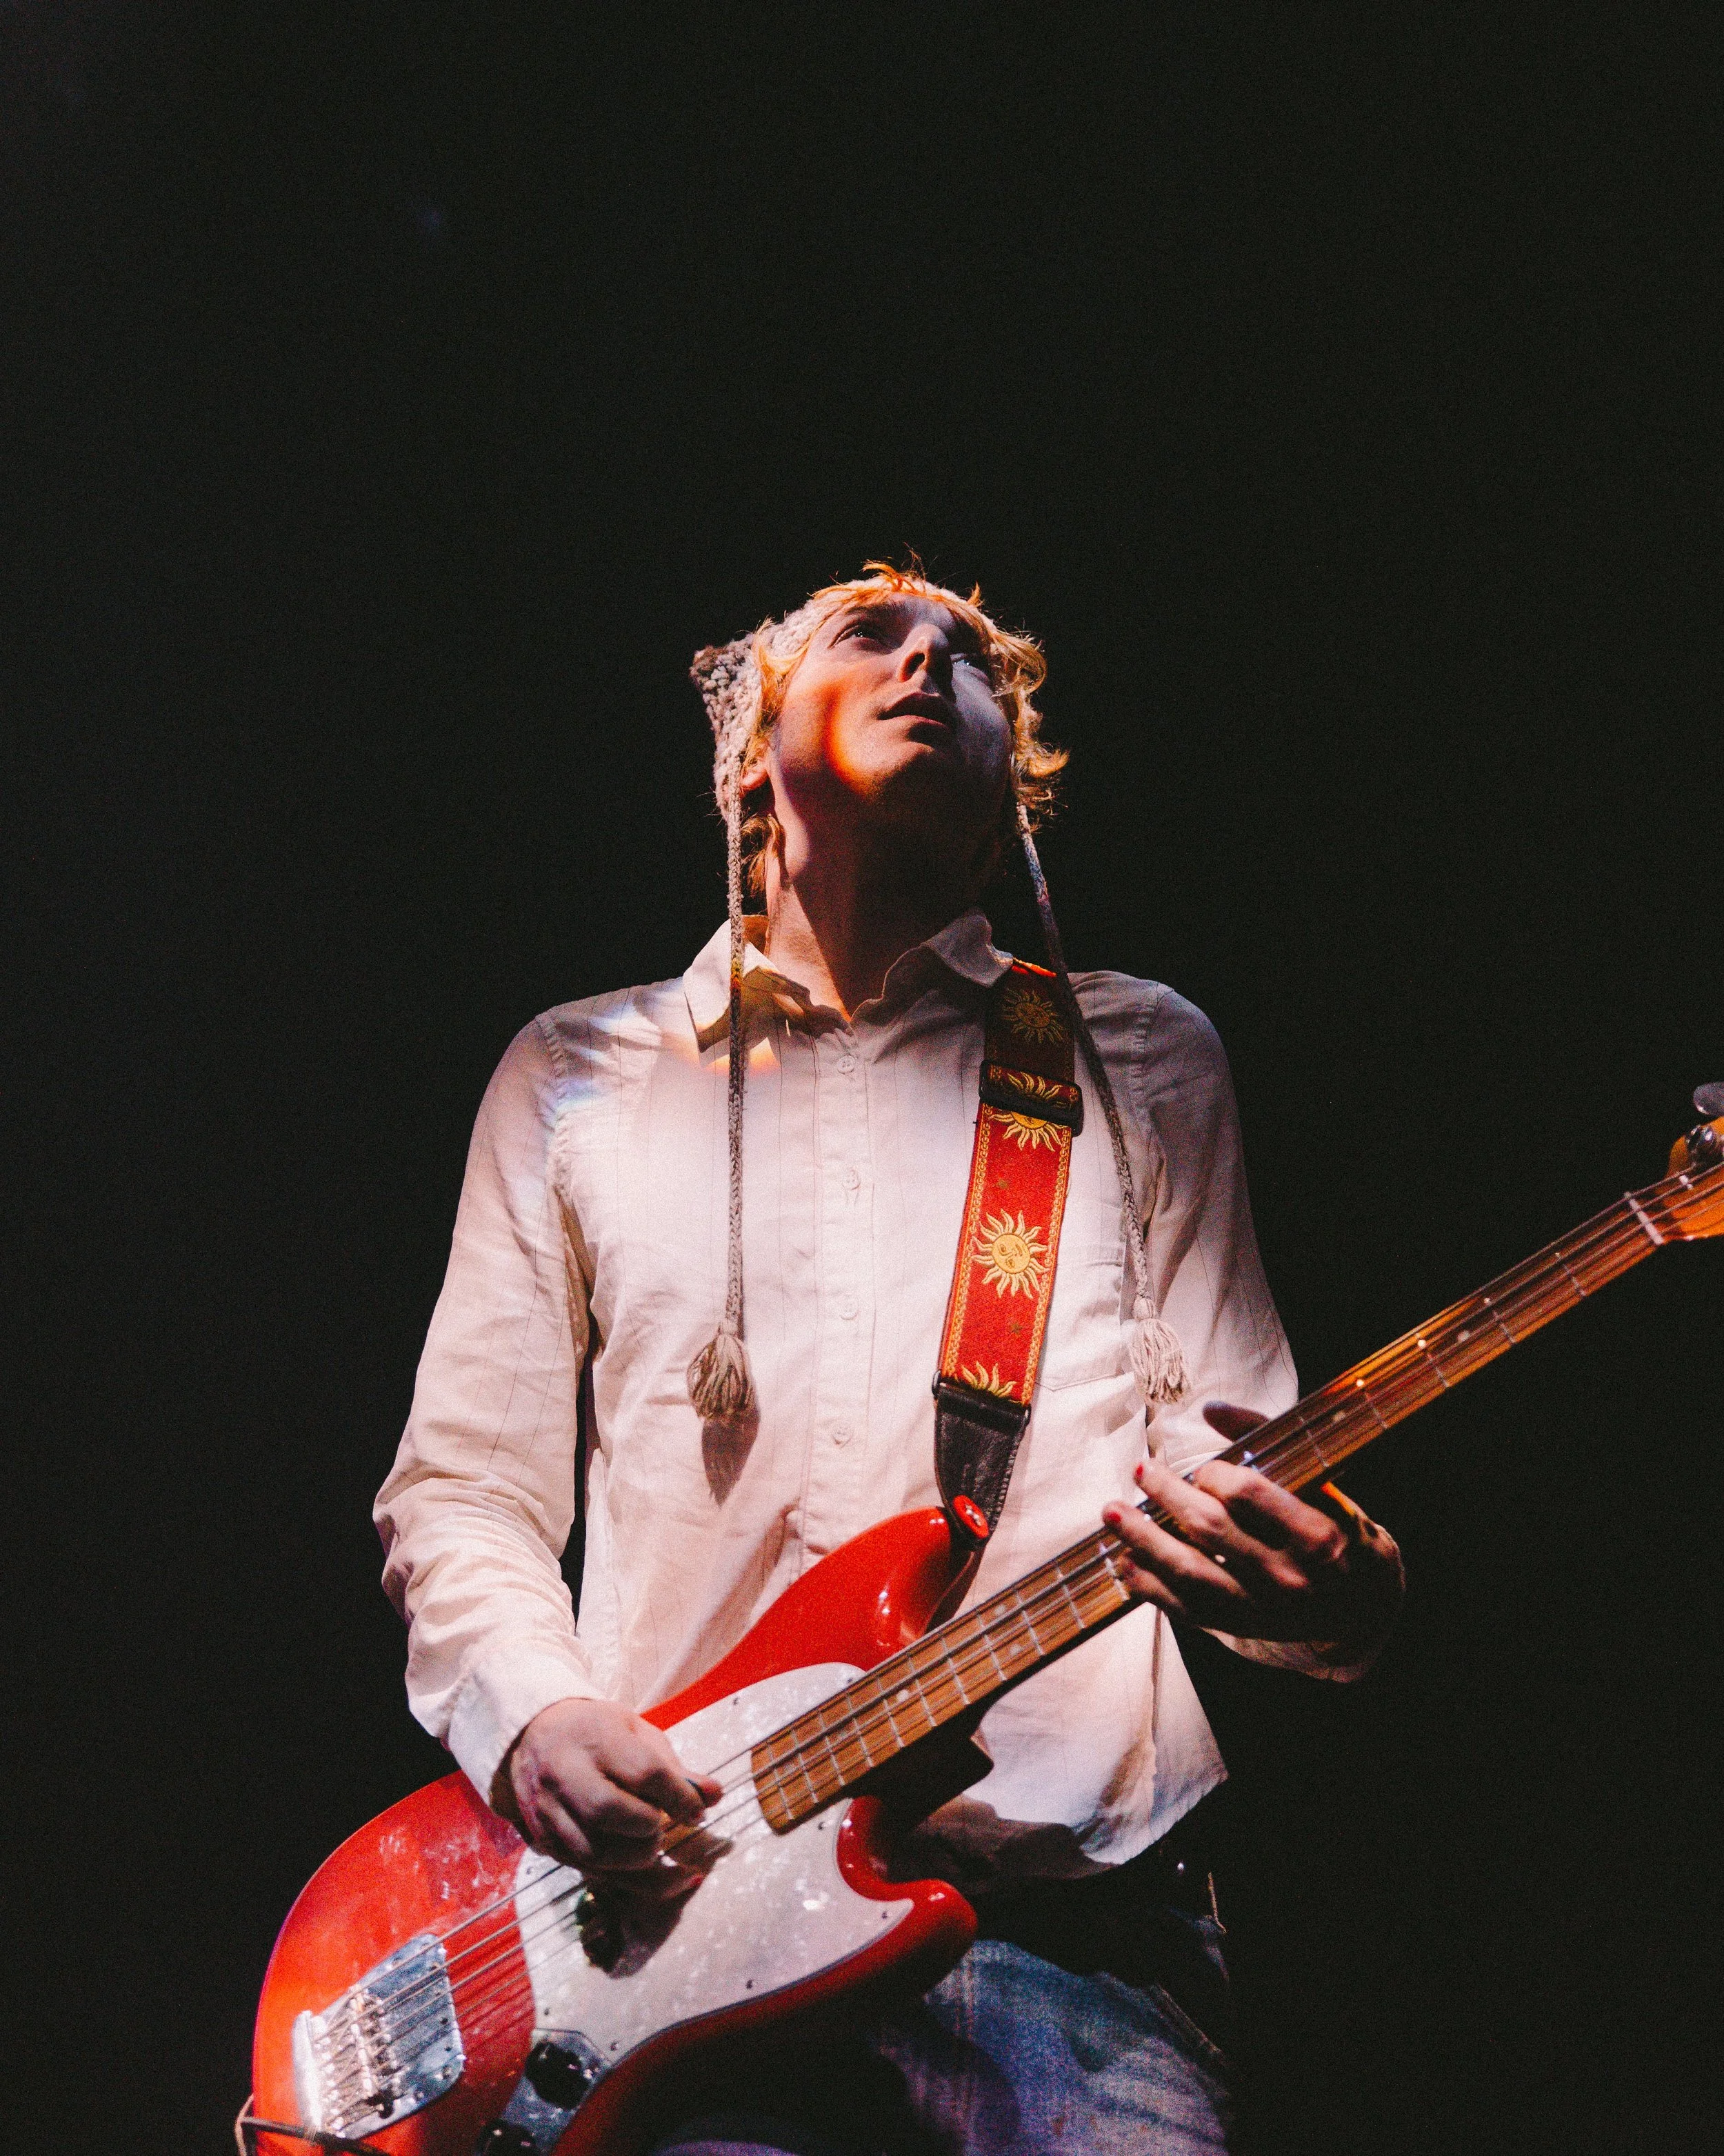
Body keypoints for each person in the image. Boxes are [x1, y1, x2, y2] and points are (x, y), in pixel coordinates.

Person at [374, 563, 1405, 2155]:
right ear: (748, 750)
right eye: (874, 633)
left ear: (1011, 787)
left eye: (971, 660)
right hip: (682, 1938)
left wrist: (1325, 1598)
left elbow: (1231, 1455)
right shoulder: (575, 1073)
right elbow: (461, 1491)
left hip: (1073, 1934)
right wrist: (533, 1719)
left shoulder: (1135, 1057)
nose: (931, 658)